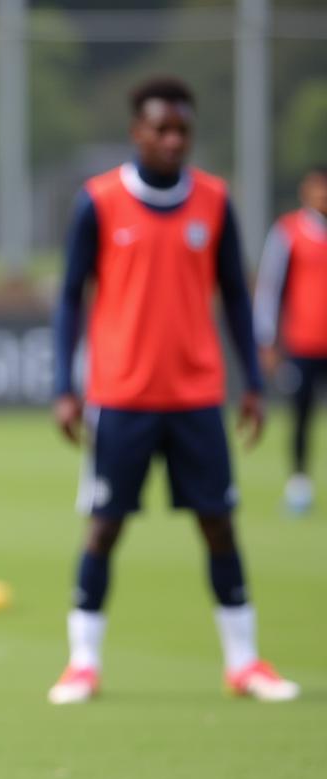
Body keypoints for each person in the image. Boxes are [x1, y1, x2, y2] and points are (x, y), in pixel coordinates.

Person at [48, 76, 300, 706]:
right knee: (104, 528)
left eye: (182, 129)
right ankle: (83, 664)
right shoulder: (99, 201)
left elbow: (237, 297)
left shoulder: (214, 200)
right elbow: (70, 296)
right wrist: (64, 386)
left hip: (196, 397)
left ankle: (243, 664)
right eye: (160, 128)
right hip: (121, 396)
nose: (172, 139)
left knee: (219, 524)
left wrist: (251, 383)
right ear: (138, 131)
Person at [253, 165, 327, 515]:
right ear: (305, 191)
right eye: (318, 188)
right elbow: (270, 288)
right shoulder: (289, 232)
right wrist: (267, 340)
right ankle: (299, 485)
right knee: (301, 416)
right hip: (303, 344)